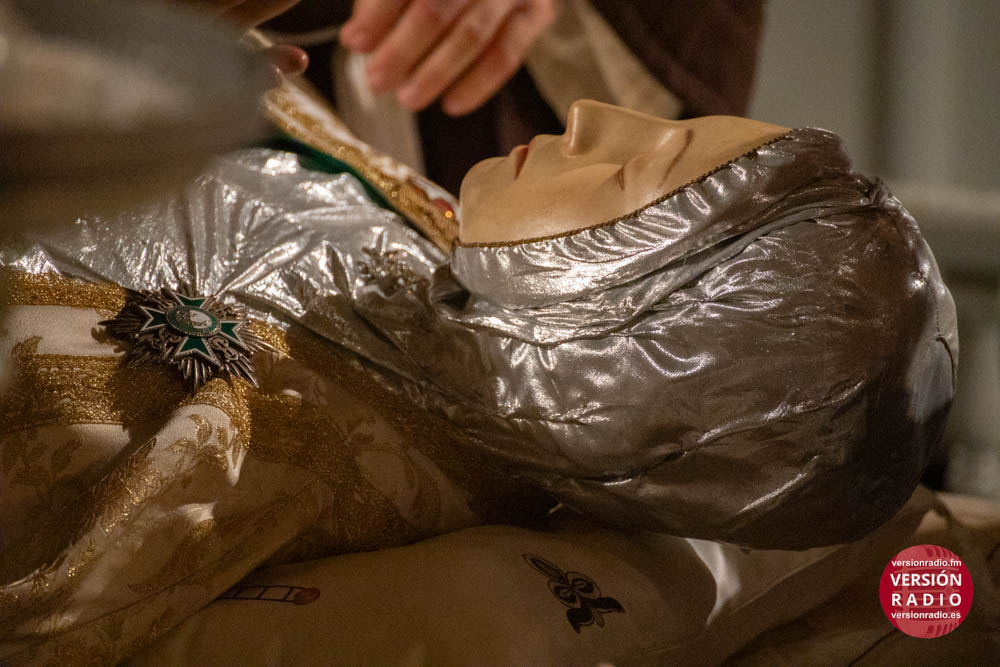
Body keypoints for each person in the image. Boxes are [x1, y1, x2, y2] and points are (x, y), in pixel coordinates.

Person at [0, 88, 954, 663]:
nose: (590, 115)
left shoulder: (263, 440)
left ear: (643, 343)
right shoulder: (454, 280)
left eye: (631, 172)